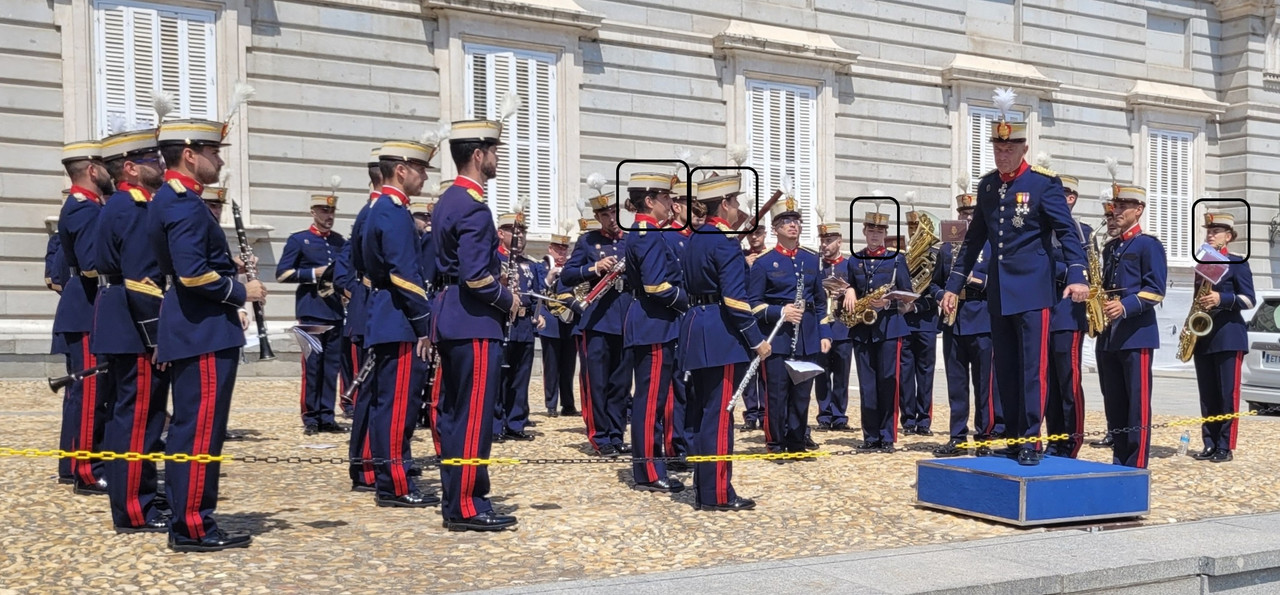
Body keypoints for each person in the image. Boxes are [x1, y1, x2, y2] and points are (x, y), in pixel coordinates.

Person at [940, 93, 1089, 467]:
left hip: (1033, 290)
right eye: (997, 147)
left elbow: (1067, 232)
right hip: (999, 294)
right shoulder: (989, 186)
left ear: (1023, 148)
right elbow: (975, 240)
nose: (1002, 153)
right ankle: (1010, 436)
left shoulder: (1043, 184)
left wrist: (1076, 274)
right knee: (1003, 368)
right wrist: (953, 287)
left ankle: (1030, 440)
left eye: (1009, 147)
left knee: (1031, 369)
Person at [148, 116, 267, 552]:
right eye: (213, 152)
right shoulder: (182, 204)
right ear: (189, 155)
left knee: (195, 428)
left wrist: (226, 266)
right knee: (198, 430)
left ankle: (191, 517)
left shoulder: (179, 200)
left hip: (197, 327)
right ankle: (193, 525)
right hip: (203, 331)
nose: (219, 160)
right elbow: (192, 275)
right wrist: (241, 290)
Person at [429, 117, 520, 531]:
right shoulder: (473, 208)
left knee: (455, 411)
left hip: (451, 314)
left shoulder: (448, 201)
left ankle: (457, 496)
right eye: (495, 151)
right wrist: (508, 299)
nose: (498, 158)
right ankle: (467, 504)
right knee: (473, 416)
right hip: (474, 321)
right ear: (479, 155)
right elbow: (476, 276)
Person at [93, 127, 171, 533]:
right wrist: (157, 337)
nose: (160, 166)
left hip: (123, 321)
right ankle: (135, 510)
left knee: (132, 417)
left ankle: (136, 498)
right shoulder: (133, 208)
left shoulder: (123, 205)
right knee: (139, 418)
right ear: (130, 168)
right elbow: (143, 279)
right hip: (136, 326)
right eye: (152, 161)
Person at [680, 173, 767, 511]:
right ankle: (716, 493)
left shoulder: (695, 237)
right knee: (719, 417)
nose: (739, 209)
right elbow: (735, 300)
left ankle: (705, 488)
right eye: (737, 203)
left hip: (696, 327)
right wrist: (756, 339)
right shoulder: (724, 242)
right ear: (726, 204)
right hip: (721, 333)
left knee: (704, 414)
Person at [360, 140, 439, 508]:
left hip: (388, 313)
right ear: (402, 171)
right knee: (397, 407)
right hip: (399, 317)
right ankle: (394, 483)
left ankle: (391, 476)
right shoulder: (392, 211)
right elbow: (403, 273)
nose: (424, 177)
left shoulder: (383, 208)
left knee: (390, 404)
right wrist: (423, 322)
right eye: (421, 170)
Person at [748, 196, 830, 457]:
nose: (793, 226)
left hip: (806, 337)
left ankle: (796, 442)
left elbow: (819, 301)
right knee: (777, 393)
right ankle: (775, 443)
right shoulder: (764, 262)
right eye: (786, 221)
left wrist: (824, 333)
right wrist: (779, 311)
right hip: (777, 338)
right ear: (776, 228)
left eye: (796, 221)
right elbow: (753, 304)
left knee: (802, 394)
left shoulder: (810, 259)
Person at [56, 140, 114, 495]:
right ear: (93, 170)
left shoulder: (88, 206)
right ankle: (87, 471)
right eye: (106, 166)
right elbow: (93, 266)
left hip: (85, 306)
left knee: (85, 393)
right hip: (88, 307)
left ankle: (71, 464)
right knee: (92, 392)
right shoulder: (85, 209)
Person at [622, 171, 687, 492]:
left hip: (655, 323)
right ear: (649, 201)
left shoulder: (651, 231)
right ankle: (647, 471)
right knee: (650, 401)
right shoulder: (646, 232)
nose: (671, 204)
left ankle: (651, 464)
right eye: (665, 198)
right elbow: (656, 285)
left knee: (656, 398)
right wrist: (688, 302)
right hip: (653, 323)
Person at [1096, 186, 1166, 469]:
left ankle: (1135, 463)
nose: (1117, 211)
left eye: (1124, 205)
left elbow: (1156, 290)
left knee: (1136, 404)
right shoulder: (1111, 246)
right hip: (1109, 335)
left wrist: (1125, 306)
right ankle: (1119, 459)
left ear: (1139, 209)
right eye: (1115, 205)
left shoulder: (1148, 244)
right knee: (1114, 401)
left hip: (1136, 335)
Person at [561, 181, 633, 456]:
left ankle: (617, 434)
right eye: (605, 214)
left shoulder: (630, 240)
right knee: (597, 383)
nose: (611, 218)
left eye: (614, 212)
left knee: (621, 384)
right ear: (598, 217)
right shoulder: (588, 242)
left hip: (624, 319)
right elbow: (567, 276)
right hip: (597, 321)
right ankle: (600, 436)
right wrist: (593, 267)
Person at [932, 194, 1000, 457]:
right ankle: (957, 437)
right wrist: (942, 296)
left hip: (982, 319)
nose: (967, 218)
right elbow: (934, 284)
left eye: (972, 213)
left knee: (985, 386)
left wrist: (974, 280)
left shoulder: (991, 245)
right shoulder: (947, 249)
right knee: (956, 385)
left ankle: (984, 437)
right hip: (954, 322)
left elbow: (998, 282)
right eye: (964, 213)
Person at [277, 186, 348, 435]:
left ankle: (327, 416)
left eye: (332, 211)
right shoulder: (299, 240)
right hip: (311, 311)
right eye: (324, 210)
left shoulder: (340, 242)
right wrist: (312, 273)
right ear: (313, 211)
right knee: (313, 366)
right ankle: (311, 417)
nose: (328, 215)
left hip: (335, 312)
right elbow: (282, 274)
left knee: (331, 367)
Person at [840, 211, 912, 453]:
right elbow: (845, 287)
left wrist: (889, 303)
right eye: (871, 231)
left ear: (885, 234)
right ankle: (870, 436)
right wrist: (848, 289)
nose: (875, 235)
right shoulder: (854, 260)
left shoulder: (897, 260)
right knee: (867, 384)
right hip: (862, 329)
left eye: (879, 231)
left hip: (889, 328)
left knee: (888, 382)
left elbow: (908, 298)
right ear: (864, 232)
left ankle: (887, 436)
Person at [1191, 212, 1254, 463]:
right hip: (1204, 335)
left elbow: (1249, 299)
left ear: (1228, 236)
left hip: (1229, 335)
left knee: (1228, 394)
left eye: (1216, 230)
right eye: (1209, 230)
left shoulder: (1238, 263)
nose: (1210, 234)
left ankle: (1224, 446)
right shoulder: (1203, 264)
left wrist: (1222, 299)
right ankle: (1209, 442)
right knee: (1207, 395)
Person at [1044, 174, 1092, 458]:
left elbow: (1084, 270)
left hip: (1067, 314)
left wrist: (1052, 270)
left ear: (1070, 198)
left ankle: (1072, 439)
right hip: (1044, 312)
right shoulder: (1042, 228)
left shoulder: (1080, 231)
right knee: (1048, 381)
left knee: (1068, 379)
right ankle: (1054, 437)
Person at [494, 210, 542, 442]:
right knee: (499, 377)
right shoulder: (495, 260)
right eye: (514, 231)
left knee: (520, 378)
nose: (519, 236)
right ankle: (496, 424)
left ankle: (515, 423)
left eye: (522, 231)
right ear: (500, 233)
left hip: (523, 324)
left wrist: (537, 314)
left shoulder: (529, 265)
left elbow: (534, 295)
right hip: (502, 323)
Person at [899, 209, 939, 436]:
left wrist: (917, 305)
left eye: (918, 229)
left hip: (926, 320)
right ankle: (907, 420)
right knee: (905, 372)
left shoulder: (935, 256)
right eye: (912, 229)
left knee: (925, 372)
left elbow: (937, 288)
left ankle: (924, 420)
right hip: (904, 322)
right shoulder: (900, 257)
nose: (915, 233)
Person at [537, 226, 579, 417]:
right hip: (551, 321)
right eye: (558, 249)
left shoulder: (571, 269)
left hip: (569, 322)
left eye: (565, 249)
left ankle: (568, 404)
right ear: (550, 249)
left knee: (569, 366)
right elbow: (538, 291)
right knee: (551, 365)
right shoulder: (541, 267)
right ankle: (551, 404)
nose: (562, 253)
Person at [815, 220, 853, 432]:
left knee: (841, 375)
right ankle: (824, 414)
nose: (825, 245)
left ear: (839, 241)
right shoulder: (816, 265)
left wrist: (849, 290)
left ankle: (839, 415)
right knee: (821, 374)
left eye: (829, 240)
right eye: (823, 240)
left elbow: (857, 288)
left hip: (842, 326)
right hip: (822, 327)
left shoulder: (848, 265)